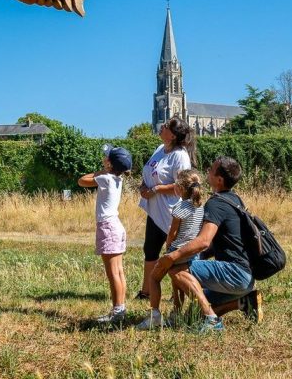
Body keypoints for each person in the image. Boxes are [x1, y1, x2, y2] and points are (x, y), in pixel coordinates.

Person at [152, 156, 262, 333]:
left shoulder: (216, 204)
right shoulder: (234, 199)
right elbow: (217, 243)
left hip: (234, 274)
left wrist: (172, 256)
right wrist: (198, 259)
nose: (207, 172)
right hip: (246, 277)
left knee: (175, 269)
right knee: (192, 317)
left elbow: (203, 242)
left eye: (211, 170)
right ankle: (244, 302)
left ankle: (212, 321)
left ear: (219, 179)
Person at [136, 117, 196, 300]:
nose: (162, 126)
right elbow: (149, 173)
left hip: (172, 213)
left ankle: (179, 292)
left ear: (172, 135)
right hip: (155, 211)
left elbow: (182, 186)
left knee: (174, 253)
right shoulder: (159, 150)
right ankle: (146, 291)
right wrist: (143, 186)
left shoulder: (180, 155)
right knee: (150, 249)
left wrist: (155, 189)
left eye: (167, 126)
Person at [137, 169, 204, 329]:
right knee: (177, 284)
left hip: (176, 251)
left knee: (154, 278)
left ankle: (154, 314)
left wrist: (168, 247)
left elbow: (172, 233)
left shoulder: (179, 208)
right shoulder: (199, 206)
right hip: (191, 252)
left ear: (179, 189)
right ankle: (176, 314)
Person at [78, 144, 133, 324]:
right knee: (119, 271)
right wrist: (107, 168)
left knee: (113, 273)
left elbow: (81, 180)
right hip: (116, 226)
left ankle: (117, 313)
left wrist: (102, 170)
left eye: (107, 158)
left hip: (108, 227)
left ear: (110, 165)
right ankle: (120, 309)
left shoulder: (107, 178)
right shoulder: (117, 179)